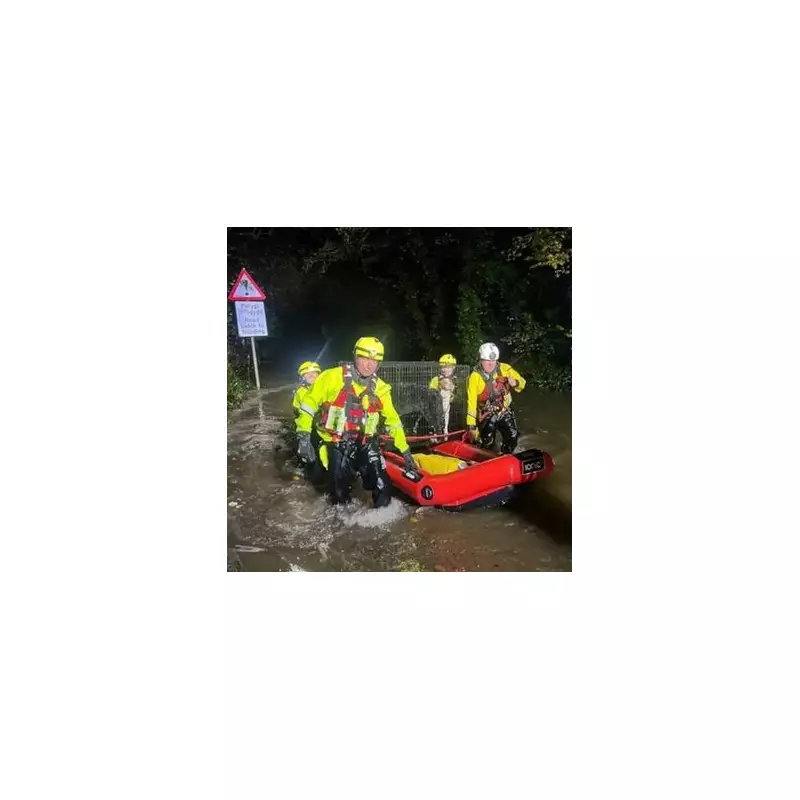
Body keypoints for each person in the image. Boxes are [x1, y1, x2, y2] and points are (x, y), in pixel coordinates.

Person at [295, 336, 418, 507]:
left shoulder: (381, 388)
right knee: (339, 492)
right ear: (355, 357)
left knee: (382, 486)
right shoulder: (331, 377)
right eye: (365, 358)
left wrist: (405, 451)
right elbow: (308, 405)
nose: (370, 364)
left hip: (365, 442)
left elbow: (393, 420)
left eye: (375, 360)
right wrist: (303, 436)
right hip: (336, 442)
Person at [466, 342, 526, 453]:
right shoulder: (474, 377)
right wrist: (471, 426)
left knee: (513, 436)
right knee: (487, 442)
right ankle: (487, 455)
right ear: (481, 359)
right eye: (488, 361)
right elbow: (471, 402)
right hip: (486, 414)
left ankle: (507, 453)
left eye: (493, 360)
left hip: (504, 410)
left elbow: (523, 383)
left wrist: (516, 383)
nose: (491, 364)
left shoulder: (505, 369)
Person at [292, 362, 324, 482]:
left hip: (320, 426)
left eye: (314, 374)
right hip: (307, 427)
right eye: (308, 374)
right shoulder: (301, 392)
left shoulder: (323, 389)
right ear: (302, 377)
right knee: (309, 456)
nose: (312, 376)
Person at [428, 353, 458, 434]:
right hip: (436, 408)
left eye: (448, 367)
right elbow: (430, 395)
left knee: (446, 414)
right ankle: (435, 432)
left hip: (447, 406)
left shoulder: (455, 380)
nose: (445, 370)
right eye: (443, 367)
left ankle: (445, 430)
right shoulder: (436, 379)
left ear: (453, 368)